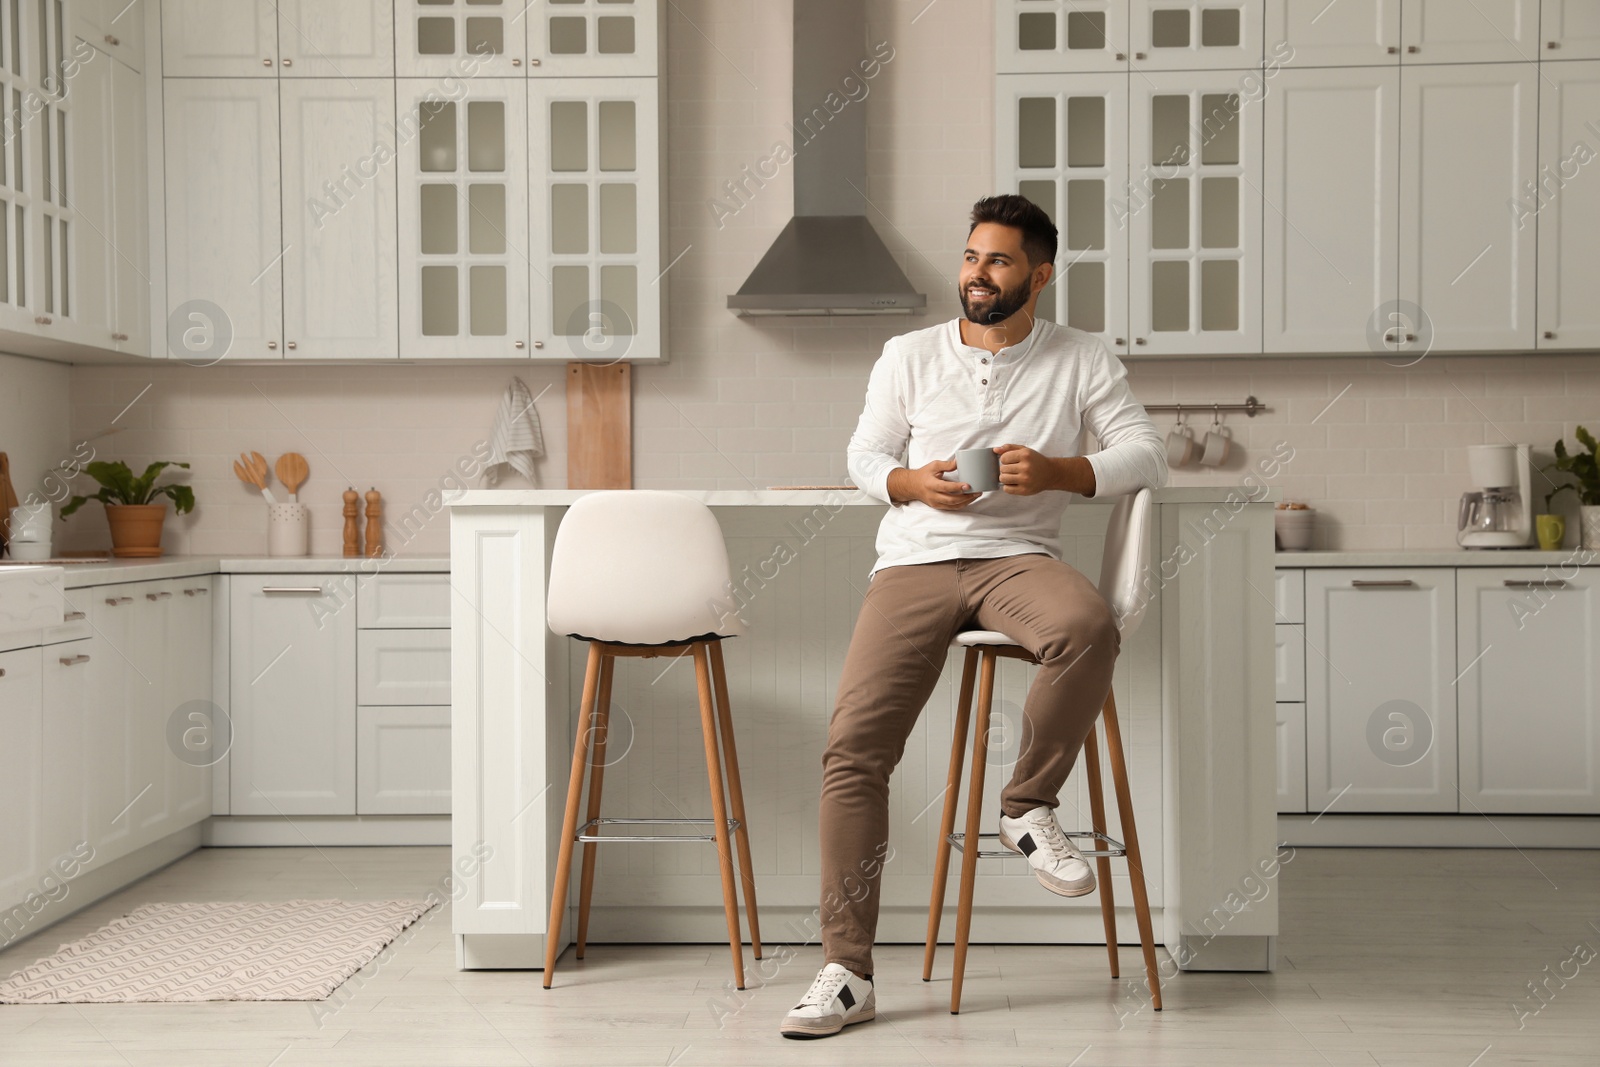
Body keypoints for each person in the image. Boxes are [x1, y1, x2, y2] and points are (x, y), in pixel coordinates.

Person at [780, 194, 1168, 1039]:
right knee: (854, 751)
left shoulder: (1082, 358)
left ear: (1039, 274)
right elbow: (865, 454)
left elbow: (1147, 452)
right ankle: (846, 972)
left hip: (1019, 560)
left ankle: (1027, 803)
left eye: (995, 261)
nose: (975, 275)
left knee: (1088, 626)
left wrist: (1061, 471)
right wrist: (912, 483)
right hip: (914, 562)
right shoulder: (908, 354)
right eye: (968, 258)